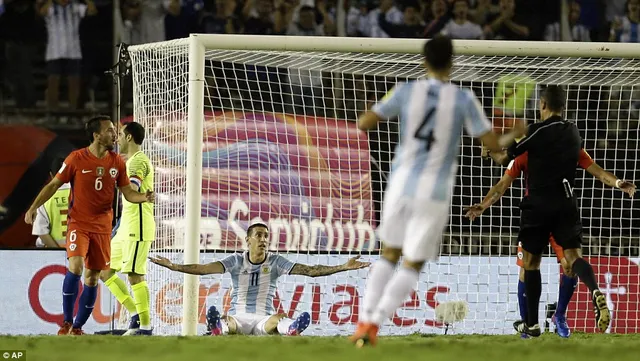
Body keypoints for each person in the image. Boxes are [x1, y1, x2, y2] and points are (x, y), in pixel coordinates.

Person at [349, 35, 526, 347]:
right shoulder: (462, 99)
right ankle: (374, 325)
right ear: (452, 62)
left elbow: (364, 123)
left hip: (400, 185)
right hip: (434, 193)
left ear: (423, 60)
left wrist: (374, 106)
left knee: (388, 253)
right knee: (413, 262)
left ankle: (363, 320)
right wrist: (516, 131)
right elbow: (493, 145)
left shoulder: (406, 90)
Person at [465, 148, 636, 338]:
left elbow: (598, 171)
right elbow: (502, 184)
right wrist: (483, 204)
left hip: (560, 219)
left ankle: (559, 316)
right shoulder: (526, 153)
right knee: (526, 270)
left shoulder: (571, 148)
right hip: (534, 219)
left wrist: (618, 182)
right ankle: (529, 324)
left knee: (569, 268)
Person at [501, 85, 623, 337]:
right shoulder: (571, 136)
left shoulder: (531, 142)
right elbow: (596, 170)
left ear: (542, 105)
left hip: (537, 211)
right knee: (571, 261)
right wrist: (620, 183)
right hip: (565, 208)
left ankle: (540, 321)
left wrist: (493, 148)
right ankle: (541, 318)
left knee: (532, 266)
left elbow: (504, 171)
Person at [24, 115, 155, 335]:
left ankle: (77, 327)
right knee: (75, 267)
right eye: (110, 130)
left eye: (116, 131)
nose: (115, 134)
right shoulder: (76, 158)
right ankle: (66, 322)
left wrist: (144, 197)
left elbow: (129, 193)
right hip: (79, 224)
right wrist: (33, 207)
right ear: (96, 135)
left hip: (103, 228)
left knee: (94, 277)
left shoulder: (118, 162)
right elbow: (54, 184)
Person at [150, 222, 370, 336]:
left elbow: (310, 270)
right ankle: (218, 328)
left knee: (278, 320)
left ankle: (292, 329)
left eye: (266, 236)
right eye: (259, 235)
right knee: (230, 322)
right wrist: (174, 266)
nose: (263, 239)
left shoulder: (275, 262)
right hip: (239, 316)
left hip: (264, 319)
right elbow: (204, 269)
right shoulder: (236, 261)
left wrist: (343, 266)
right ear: (248, 240)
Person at [100, 122, 155, 336]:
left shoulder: (138, 161)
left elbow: (132, 187)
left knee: (134, 274)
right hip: (126, 225)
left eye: (121, 134)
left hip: (138, 225)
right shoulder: (130, 161)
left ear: (130, 137)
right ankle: (134, 315)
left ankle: (146, 327)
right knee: (104, 271)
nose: (117, 139)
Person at [32, 157, 70, 248]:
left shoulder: (44, 198)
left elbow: (42, 232)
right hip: (79, 252)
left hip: (53, 253)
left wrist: (57, 253)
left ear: (51, 175)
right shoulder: (81, 193)